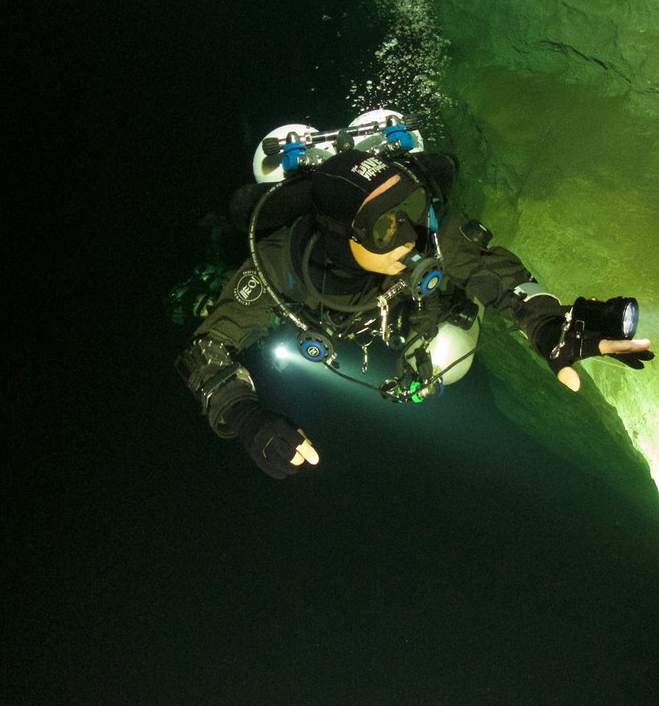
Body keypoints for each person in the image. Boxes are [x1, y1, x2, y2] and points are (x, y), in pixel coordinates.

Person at [175, 145, 654, 479]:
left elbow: (502, 278)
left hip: (417, 316)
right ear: (343, 232)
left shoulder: (430, 238)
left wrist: (551, 325)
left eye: (413, 207)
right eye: (385, 225)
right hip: (344, 314)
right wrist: (244, 416)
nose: (410, 236)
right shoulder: (282, 264)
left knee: (453, 357)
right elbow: (208, 349)